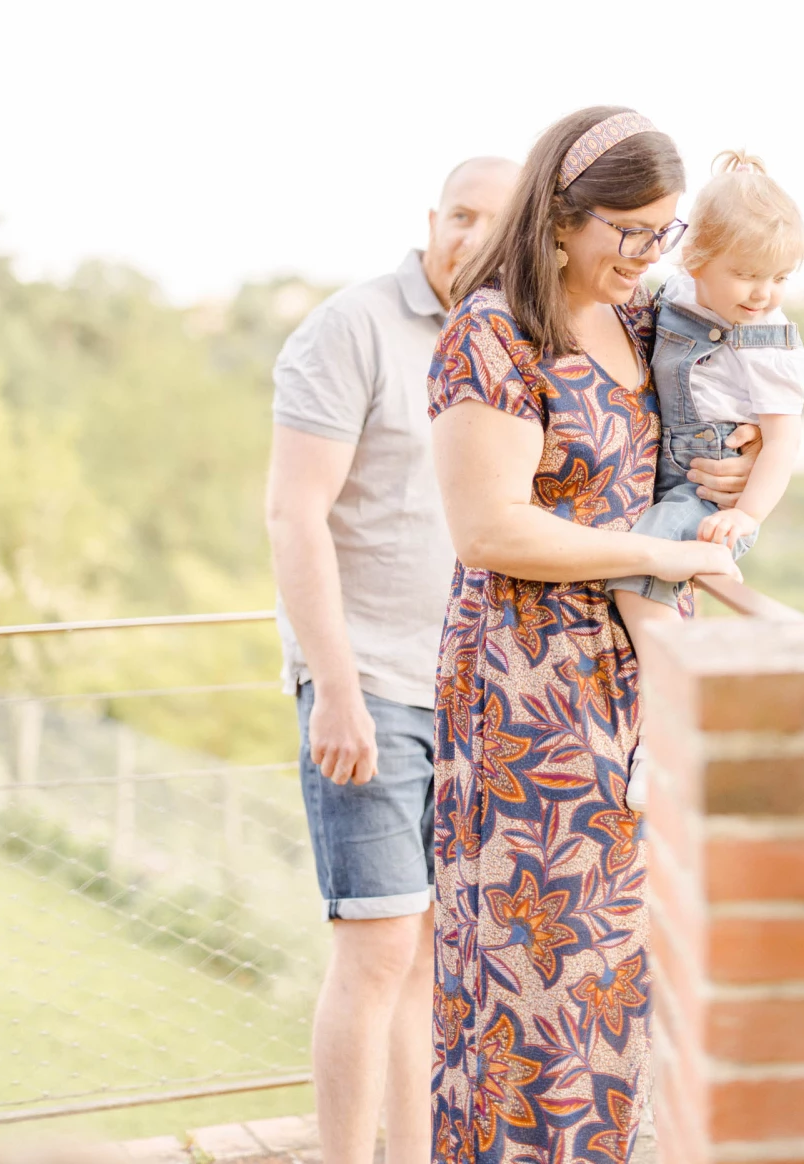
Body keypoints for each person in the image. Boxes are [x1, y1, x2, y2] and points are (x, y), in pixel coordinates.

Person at [427, 106, 758, 1163]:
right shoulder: (494, 331)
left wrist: (733, 470)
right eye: (633, 231)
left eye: (665, 232)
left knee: (619, 983)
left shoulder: (656, 325)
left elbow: (741, 420)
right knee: (537, 984)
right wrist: (661, 555)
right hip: (530, 697)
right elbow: (490, 526)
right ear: (564, 220)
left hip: (637, 690)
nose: (651, 254)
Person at [265, 156, 519, 1164]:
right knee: (375, 952)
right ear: (432, 218)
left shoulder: (508, 342)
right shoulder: (354, 326)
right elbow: (294, 513)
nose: (470, 238)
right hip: (364, 687)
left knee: (426, 963)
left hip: (463, 692)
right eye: (458, 216)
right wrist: (333, 690)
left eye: (493, 225)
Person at [612, 149, 804, 808]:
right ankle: (735, 637)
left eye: (780, 276)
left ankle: (664, 734)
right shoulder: (670, 293)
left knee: (640, 586)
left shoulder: (766, 337)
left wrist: (746, 516)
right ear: (695, 258)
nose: (764, 293)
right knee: (650, 576)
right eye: (749, 274)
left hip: (706, 484)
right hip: (668, 468)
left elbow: (782, 440)